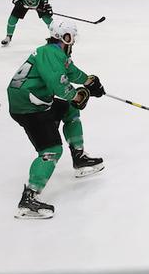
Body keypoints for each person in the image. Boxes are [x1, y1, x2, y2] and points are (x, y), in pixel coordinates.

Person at [7, 20, 105, 219]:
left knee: (69, 109)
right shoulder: (51, 53)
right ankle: (28, 199)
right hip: (28, 106)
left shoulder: (55, 53)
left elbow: (70, 72)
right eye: (71, 37)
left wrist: (89, 81)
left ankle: (79, 158)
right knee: (51, 150)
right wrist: (78, 96)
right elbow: (58, 85)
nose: (73, 41)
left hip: (36, 101)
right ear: (64, 37)